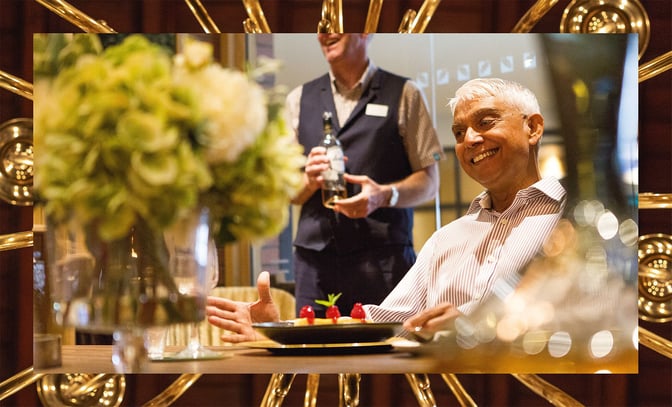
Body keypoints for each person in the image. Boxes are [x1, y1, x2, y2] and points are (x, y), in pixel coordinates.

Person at [206, 78, 567, 342]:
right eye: (458, 132)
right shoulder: (446, 240)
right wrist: (278, 333)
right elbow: (384, 324)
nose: (470, 139)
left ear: (533, 128)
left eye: (486, 122)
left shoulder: (576, 221)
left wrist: (474, 323)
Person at [284, 33, 444, 316]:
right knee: (312, 354)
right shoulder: (298, 99)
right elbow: (289, 193)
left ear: (366, 31)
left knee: (386, 356)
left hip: (383, 262)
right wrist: (308, 181)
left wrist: (384, 195)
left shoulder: (406, 93)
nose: (325, 32)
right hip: (314, 265)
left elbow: (430, 183)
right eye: (321, 25)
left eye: (337, 21)